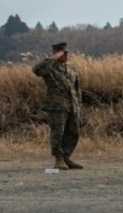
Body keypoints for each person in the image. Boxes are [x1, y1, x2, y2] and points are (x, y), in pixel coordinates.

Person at [32, 42, 83, 170]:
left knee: (74, 132)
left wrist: (79, 107)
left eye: (66, 53)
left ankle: (66, 157)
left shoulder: (71, 70)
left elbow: (77, 90)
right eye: (63, 53)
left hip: (72, 106)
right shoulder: (49, 69)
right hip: (57, 107)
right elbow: (36, 70)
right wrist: (52, 58)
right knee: (58, 133)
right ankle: (58, 159)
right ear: (56, 54)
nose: (66, 55)